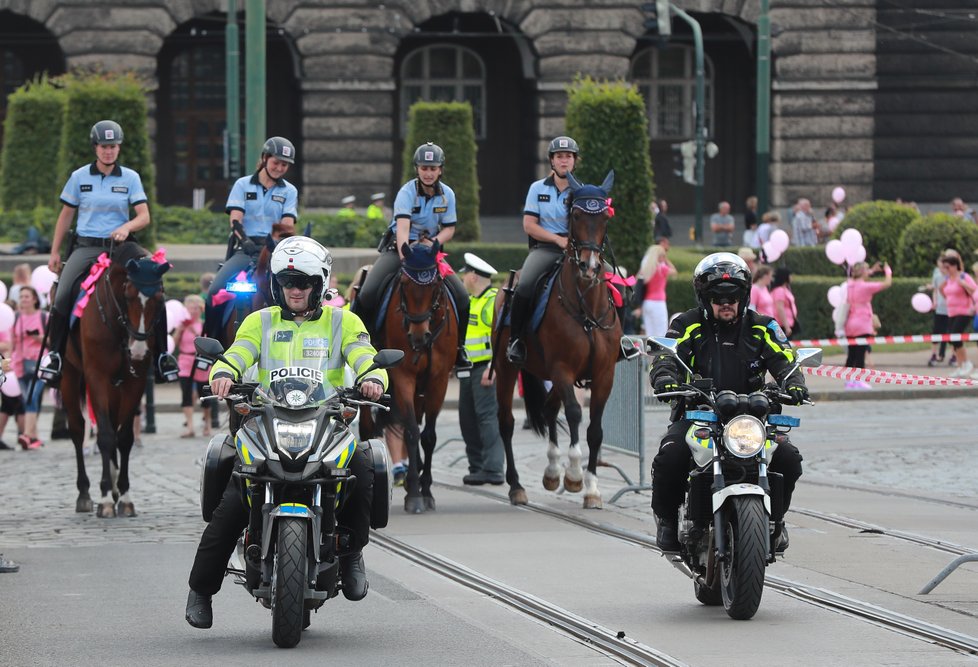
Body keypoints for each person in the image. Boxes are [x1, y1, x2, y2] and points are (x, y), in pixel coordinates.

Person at [185, 236, 388, 629]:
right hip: (266, 423)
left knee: (363, 468)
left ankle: (351, 554)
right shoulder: (258, 321)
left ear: (321, 283)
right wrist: (224, 373)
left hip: (328, 423)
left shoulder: (343, 321)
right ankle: (200, 590)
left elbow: (364, 354)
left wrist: (372, 378)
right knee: (232, 502)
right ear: (277, 284)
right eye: (288, 281)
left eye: (305, 281)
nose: (296, 289)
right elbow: (238, 352)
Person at [648, 252, 807, 552]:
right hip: (699, 414)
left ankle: (777, 521)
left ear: (743, 296)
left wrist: (795, 383)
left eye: (733, 296)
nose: (726, 302)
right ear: (704, 297)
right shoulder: (687, 324)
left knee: (789, 459)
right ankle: (667, 520)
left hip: (753, 419)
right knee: (671, 456)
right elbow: (666, 356)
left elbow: (787, 360)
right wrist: (665, 379)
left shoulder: (763, 326)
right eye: (718, 296)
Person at [38, 120, 178, 385]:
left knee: (155, 281)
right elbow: (65, 217)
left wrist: (127, 227)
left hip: (122, 246)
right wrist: (54, 251)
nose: (108, 152)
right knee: (64, 291)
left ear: (118, 148)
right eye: (104, 146)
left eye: (113, 147)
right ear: (95, 147)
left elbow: (144, 216)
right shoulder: (79, 177)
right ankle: (55, 355)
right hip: (87, 246)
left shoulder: (130, 177)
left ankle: (162, 356)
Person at [352, 141, 471, 370]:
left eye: (433, 168)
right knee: (367, 293)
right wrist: (406, 254)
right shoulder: (406, 192)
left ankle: (459, 349)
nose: (428, 173)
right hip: (401, 250)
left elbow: (449, 228)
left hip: (430, 253)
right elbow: (403, 227)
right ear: (417, 169)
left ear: (440, 170)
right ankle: (362, 347)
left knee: (462, 297)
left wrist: (435, 242)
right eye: (424, 168)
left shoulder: (448, 195)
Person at [204, 136, 298, 339]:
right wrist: (245, 242)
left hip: (275, 250)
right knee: (214, 292)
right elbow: (235, 220)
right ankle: (210, 344)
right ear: (264, 158)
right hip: (246, 249)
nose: (280, 168)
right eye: (276, 162)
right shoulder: (242, 185)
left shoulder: (290, 191)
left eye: (284, 165)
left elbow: (288, 224)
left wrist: (274, 243)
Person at [506, 135, 580, 365]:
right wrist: (558, 240)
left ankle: (616, 342)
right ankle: (516, 340)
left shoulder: (582, 190)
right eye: (559, 156)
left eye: (568, 156)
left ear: (574, 161)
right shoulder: (537, 188)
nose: (564, 161)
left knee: (613, 280)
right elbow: (529, 225)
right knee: (525, 285)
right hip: (545, 249)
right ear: (552, 161)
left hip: (577, 252)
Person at [457, 252, 505, 485]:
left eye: (465, 274)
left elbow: (500, 338)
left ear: (474, 277)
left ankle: (494, 468)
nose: (463, 278)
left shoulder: (492, 300)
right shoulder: (472, 300)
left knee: (486, 418)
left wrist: (493, 367)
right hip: (467, 370)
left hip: (485, 369)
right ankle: (477, 466)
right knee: (467, 419)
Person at [843, 261, 893, 388]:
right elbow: (887, 283)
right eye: (867, 270)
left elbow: (859, 275)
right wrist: (888, 271)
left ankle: (849, 381)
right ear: (863, 272)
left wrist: (872, 270)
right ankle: (859, 381)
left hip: (850, 323)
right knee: (860, 353)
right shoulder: (865, 287)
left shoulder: (850, 284)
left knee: (852, 353)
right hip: (862, 322)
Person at [11, 286, 47, 449]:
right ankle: (34, 437)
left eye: (27, 296)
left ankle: (25, 435)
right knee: (27, 400)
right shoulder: (15, 317)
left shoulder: (43, 317)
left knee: (32, 397)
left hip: (40, 364)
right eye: (21, 297)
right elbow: (12, 343)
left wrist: (38, 338)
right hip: (19, 364)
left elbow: (52, 342)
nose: (24, 299)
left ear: (34, 299)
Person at [172, 295, 210, 438]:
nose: (193, 311)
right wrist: (180, 330)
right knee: (186, 394)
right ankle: (190, 426)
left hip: (201, 361)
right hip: (185, 360)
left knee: (204, 394)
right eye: (190, 308)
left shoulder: (204, 325)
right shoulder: (181, 325)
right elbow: (173, 344)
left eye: (196, 308)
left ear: (201, 309)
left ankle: (207, 424)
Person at [939, 253, 976, 378]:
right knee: (952, 339)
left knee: (956, 335)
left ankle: (967, 363)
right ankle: (960, 366)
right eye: (944, 267)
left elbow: (975, 290)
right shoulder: (948, 279)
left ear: (955, 266)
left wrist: (963, 284)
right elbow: (945, 293)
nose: (946, 270)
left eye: (948, 267)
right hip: (952, 312)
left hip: (964, 311)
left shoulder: (964, 276)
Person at [633, 243, 676, 337]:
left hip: (647, 303)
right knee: (661, 332)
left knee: (650, 333)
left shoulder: (646, 269)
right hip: (658, 303)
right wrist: (667, 260)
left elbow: (637, 280)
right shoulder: (662, 268)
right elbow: (674, 271)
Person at [925, 251, 951, 367]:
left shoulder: (951, 276)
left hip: (950, 309)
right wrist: (934, 302)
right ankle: (934, 354)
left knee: (950, 333)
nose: (941, 268)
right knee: (936, 331)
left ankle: (951, 355)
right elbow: (935, 290)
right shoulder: (936, 275)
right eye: (939, 265)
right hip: (940, 308)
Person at [770, 267, 799, 340]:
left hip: (789, 322)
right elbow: (780, 308)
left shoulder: (785, 289)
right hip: (781, 324)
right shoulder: (779, 290)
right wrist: (786, 326)